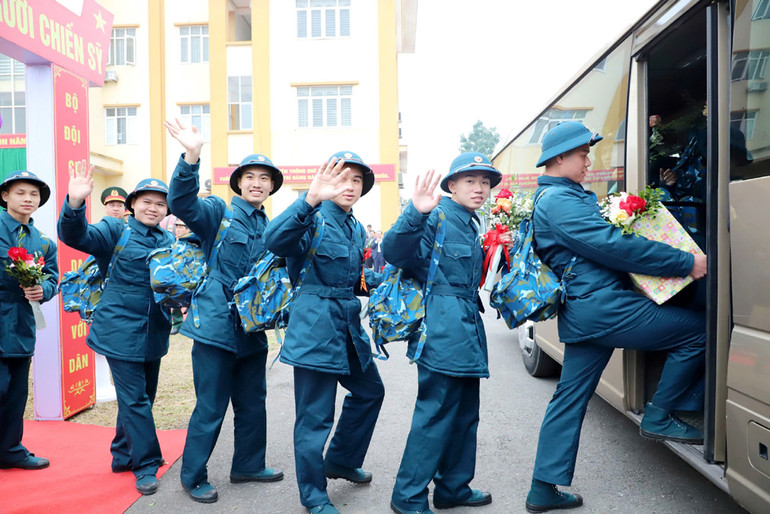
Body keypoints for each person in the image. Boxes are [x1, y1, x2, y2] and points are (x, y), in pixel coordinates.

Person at [524, 121, 707, 512]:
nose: (589, 161)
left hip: (588, 310)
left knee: (569, 398)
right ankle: (658, 415)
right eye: (582, 154)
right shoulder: (558, 201)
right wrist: (685, 262)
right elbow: (612, 246)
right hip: (603, 308)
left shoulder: (564, 197)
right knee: (698, 332)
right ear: (559, 157)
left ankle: (542, 490)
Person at [383, 152, 512, 514]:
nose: (480, 188)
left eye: (485, 182)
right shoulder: (436, 215)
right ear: (452, 185)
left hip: (465, 324)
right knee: (436, 413)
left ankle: (453, 488)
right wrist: (416, 211)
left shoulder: (469, 223)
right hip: (442, 328)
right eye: (470, 181)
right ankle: (407, 497)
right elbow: (393, 250)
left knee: (465, 413)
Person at [164, 119, 284, 503]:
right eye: (250, 176)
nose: (257, 183)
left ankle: (248, 464)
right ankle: (192, 473)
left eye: (265, 178)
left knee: (252, 401)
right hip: (215, 324)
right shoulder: (218, 212)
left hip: (251, 326)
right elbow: (182, 201)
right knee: (211, 404)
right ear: (238, 183)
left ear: (271, 187)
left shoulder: (269, 225)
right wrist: (191, 156)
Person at [264, 151, 385, 514]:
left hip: (347, 326)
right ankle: (314, 496)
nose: (349, 186)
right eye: (342, 178)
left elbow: (353, 279)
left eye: (357, 181)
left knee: (370, 392)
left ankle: (341, 460)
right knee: (315, 418)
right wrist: (309, 199)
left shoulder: (355, 227)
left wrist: (387, 282)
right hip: (315, 327)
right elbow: (275, 241)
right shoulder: (311, 218)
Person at [57, 161, 175, 496]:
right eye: (146, 201)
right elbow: (76, 235)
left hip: (155, 329)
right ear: (133, 204)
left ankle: (122, 455)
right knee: (135, 399)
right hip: (119, 330)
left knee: (143, 398)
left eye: (160, 203)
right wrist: (75, 203)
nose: (152, 207)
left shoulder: (168, 238)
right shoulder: (115, 229)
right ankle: (146, 465)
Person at [0, 171, 58, 471]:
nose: (27, 199)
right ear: (5, 196)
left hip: (21, 321)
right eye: (20, 192)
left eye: (33, 194)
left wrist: (42, 289)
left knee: (15, 392)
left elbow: (53, 277)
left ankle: (10, 450)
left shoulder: (43, 241)